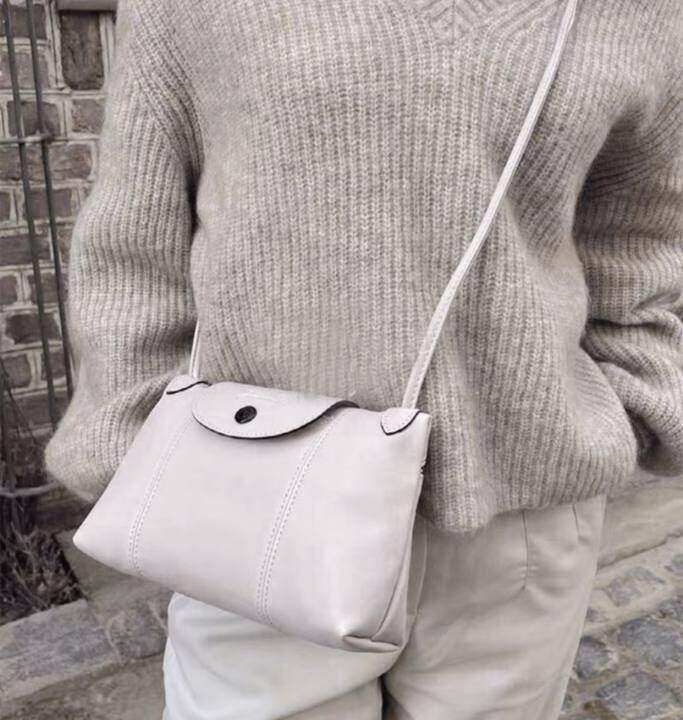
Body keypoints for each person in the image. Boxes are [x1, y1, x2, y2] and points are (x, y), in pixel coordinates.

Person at [45, 0, 682, 718]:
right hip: (253, 509)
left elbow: (640, 232)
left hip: (522, 519)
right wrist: (142, 455)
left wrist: (636, 394)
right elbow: (133, 238)